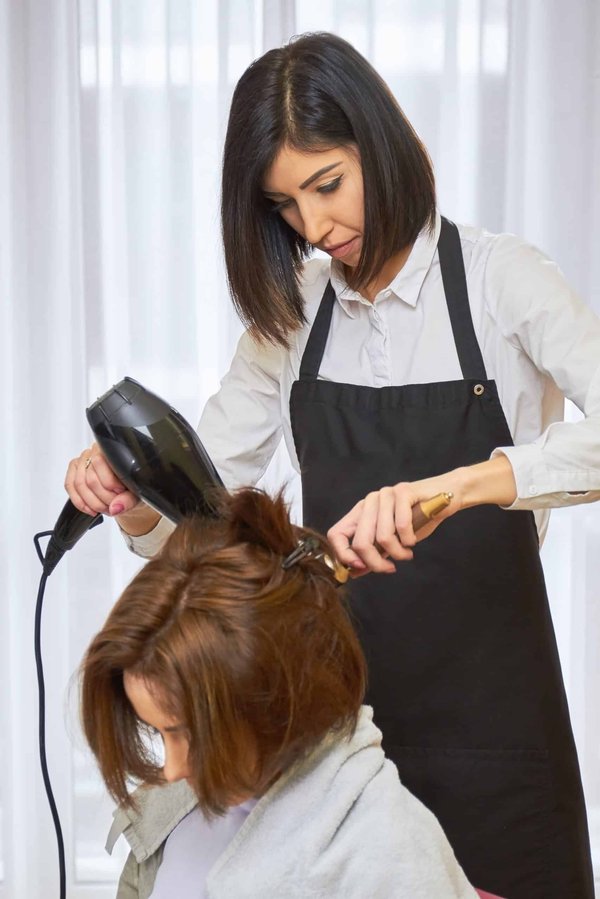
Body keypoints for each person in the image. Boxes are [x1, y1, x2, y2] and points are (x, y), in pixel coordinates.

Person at [65, 31, 600, 898]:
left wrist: (458, 487)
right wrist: (130, 498)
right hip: (343, 751)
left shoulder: (505, 281)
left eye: (326, 185)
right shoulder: (291, 321)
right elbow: (195, 518)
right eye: (283, 206)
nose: (314, 229)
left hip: (498, 736)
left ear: (380, 148)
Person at [80, 487, 481, 899]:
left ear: (278, 702)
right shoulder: (173, 818)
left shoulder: (390, 854)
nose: (172, 771)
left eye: (190, 734)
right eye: (159, 733)